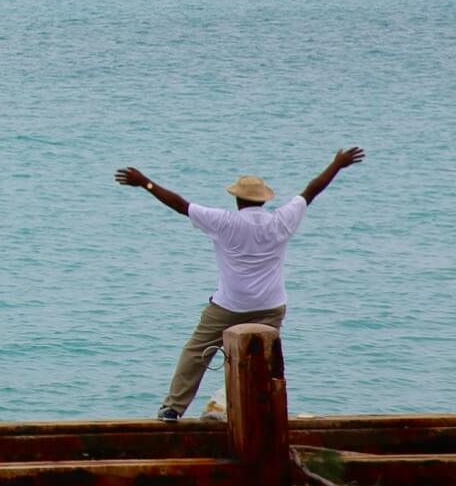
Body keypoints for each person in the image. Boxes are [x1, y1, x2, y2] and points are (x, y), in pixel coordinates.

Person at [115, 147, 365, 421]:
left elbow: (180, 205)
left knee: (196, 352)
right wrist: (337, 164)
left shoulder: (224, 222)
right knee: (266, 362)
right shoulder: (281, 221)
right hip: (270, 307)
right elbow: (311, 191)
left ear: (238, 200)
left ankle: (174, 408)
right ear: (262, 201)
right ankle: (265, 411)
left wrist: (145, 183)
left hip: (229, 306)